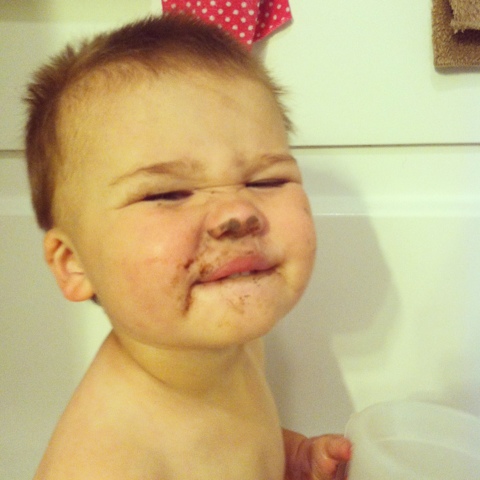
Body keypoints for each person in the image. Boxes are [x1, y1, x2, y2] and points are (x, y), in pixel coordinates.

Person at [25, 13, 351, 480]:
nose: (237, 212)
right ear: (74, 264)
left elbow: (229, 438)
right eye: (169, 193)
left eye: (265, 180)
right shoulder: (106, 463)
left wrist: (290, 457)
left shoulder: (236, 343)